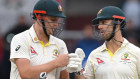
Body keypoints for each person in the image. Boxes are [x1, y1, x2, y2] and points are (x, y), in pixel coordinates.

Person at [75, 6, 140, 79]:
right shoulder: (94, 55)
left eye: (103, 22)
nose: (99, 27)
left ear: (117, 23)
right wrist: (78, 70)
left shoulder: (136, 53)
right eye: (99, 23)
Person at [10, 0, 70, 79]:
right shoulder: (20, 39)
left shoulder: (60, 44)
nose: (56, 25)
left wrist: (78, 72)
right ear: (39, 16)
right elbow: (26, 74)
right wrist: (56, 63)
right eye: (53, 20)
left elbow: (64, 77)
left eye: (57, 20)